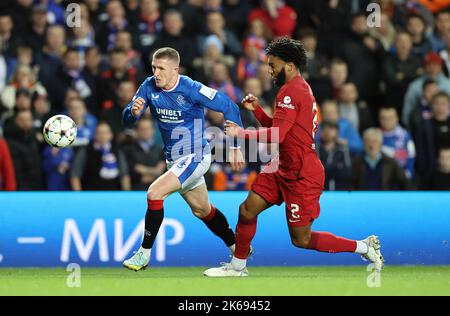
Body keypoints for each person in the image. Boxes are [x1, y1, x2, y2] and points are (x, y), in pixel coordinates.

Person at [204, 37, 384, 277]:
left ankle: (363, 246)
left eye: (273, 65)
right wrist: (258, 111)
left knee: (301, 239)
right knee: (247, 210)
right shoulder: (296, 89)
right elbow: (283, 129)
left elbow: (277, 135)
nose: (269, 70)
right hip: (281, 165)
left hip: (302, 172)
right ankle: (238, 267)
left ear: (289, 65)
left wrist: (241, 133)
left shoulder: (291, 91)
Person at [121, 47, 247, 271]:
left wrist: (236, 146)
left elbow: (229, 107)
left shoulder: (190, 88)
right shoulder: (148, 86)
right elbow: (126, 121)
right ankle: (238, 248)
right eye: (153, 67)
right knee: (202, 210)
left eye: (161, 68)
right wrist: (132, 111)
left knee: (154, 193)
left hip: (195, 156)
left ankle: (143, 254)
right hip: (174, 160)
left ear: (175, 70)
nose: (156, 73)